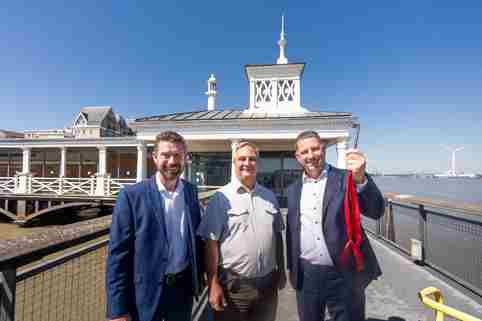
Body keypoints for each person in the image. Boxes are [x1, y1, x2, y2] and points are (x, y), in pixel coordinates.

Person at [286, 130, 385, 321]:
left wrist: (361, 179)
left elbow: (376, 210)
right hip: (307, 276)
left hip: (344, 274)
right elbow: (292, 233)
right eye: (304, 152)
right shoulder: (293, 189)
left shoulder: (347, 178)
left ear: (323, 149)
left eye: (315, 149)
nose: (310, 155)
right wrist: (292, 269)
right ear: (298, 157)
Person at [106, 131, 204, 321]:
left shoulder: (191, 192)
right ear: (154, 158)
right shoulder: (132, 196)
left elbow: (196, 240)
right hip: (145, 295)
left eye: (177, 155)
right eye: (166, 155)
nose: (172, 161)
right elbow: (118, 256)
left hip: (182, 292)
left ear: (185, 158)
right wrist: (117, 310)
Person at [197, 140, 286, 321]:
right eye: (242, 159)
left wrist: (282, 270)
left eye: (252, 159)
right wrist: (213, 284)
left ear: (258, 163)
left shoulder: (269, 197)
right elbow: (211, 245)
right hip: (234, 288)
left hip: (267, 286)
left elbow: (277, 236)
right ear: (234, 163)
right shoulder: (221, 199)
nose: (247, 163)